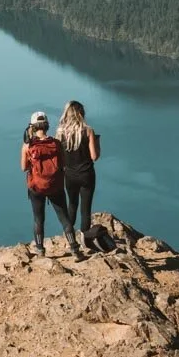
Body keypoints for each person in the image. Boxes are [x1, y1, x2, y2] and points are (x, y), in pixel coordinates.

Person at [21, 111, 83, 259]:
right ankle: (75, 249)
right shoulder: (56, 143)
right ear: (47, 126)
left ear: (33, 127)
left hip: (36, 186)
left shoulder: (28, 146)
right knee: (64, 218)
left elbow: (23, 167)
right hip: (56, 186)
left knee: (38, 219)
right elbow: (63, 163)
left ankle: (40, 250)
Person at [56, 100, 101, 248]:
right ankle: (85, 240)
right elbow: (94, 156)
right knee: (86, 209)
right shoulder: (88, 131)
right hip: (86, 174)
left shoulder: (60, 133)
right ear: (81, 114)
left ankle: (70, 238)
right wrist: (97, 142)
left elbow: (58, 157)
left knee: (72, 204)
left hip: (69, 175)